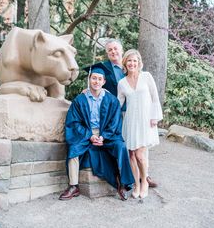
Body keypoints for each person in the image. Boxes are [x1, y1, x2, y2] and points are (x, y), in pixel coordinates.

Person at [59, 63, 134, 201]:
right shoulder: (80, 100)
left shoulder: (111, 100)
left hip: (107, 133)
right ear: (89, 79)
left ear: (104, 81)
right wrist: (90, 136)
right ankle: (73, 186)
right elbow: (73, 123)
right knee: (73, 149)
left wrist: (103, 137)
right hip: (86, 133)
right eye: (94, 78)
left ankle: (123, 183)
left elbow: (115, 122)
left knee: (121, 146)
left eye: (100, 79)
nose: (96, 81)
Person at [102, 38, 158, 188]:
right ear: (107, 53)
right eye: (110, 50)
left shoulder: (135, 66)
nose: (113, 52)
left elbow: (153, 96)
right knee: (130, 148)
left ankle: (145, 176)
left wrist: (155, 116)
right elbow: (100, 86)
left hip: (142, 112)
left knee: (142, 147)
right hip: (123, 114)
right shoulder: (105, 69)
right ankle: (132, 176)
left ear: (121, 50)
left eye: (115, 48)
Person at [117, 49, 163, 199]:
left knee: (140, 155)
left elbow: (155, 98)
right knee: (131, 154)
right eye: (129, 61)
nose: (132, 63)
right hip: (131, 121)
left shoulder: (146, 76)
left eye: (134, 61)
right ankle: (136, 184)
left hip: (146, 120)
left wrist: (155, 117)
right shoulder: (122, 83)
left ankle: (145, 182)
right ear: (125, 63)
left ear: (139, 63)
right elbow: (117, 103)